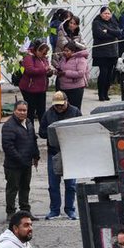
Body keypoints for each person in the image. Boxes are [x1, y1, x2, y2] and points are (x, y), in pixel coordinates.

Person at [40, 92, 80, 220]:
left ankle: (70, 209)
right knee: (53, 184)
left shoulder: (75, 112)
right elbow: (41, 132)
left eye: (61, 105)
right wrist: (52, 132)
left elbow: (82, 128)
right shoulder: (49, 113)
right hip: (54, 152)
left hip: (70, 152)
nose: (59, 108)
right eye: (56, 106)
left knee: (71, 185)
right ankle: (54, 210)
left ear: (66, 101)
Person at [1, 100, 39, 215]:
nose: (22, 112)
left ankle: (25, 211)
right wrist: (21, 159)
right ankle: (11, 212)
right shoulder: (8, 126)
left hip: (27, 164)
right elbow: (8, 147)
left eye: (24, 110)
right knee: (12, 189)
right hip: (13, 165)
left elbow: (33, 140)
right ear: (14, 111)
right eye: (20, 110)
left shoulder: (28, 122)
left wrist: (36, 155)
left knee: (25, 188)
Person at [17, 38, 53, 129]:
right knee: (30, 112)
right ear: (37, 50)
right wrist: (45, 69)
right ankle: (30, 131)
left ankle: (44, 130)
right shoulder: (28, 58)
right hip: (30, 89)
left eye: (45, 53)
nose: (44, 55)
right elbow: (30, 71)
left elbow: (45, 71)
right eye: (43, 53)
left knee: (42, 111)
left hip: (41, 89)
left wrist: (49, 72)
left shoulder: (44, 58)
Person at [91, 4, 123, 101]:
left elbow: (119, 33)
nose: (107, 15)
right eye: (105, 13)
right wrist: (113, 35)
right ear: (101, 14)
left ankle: (106, 93)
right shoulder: (97, 23)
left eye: (109, 13)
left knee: (110, 74)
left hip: (112, 52)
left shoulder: (112, 22)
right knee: (103, 73)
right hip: (101, 53)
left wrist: (108, 31)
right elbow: (100, 35)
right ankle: (101, 94)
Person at [55, 39, 89, 112]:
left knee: (74, 109)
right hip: (64, 87)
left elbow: (81, 73)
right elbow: (59, 67)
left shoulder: (80, 59)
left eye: (67, 51)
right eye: (64, 50)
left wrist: (65, 73)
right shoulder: (63, 58)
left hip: (76, 88)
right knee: (64, 109)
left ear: (73, 51)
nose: (65, 52)